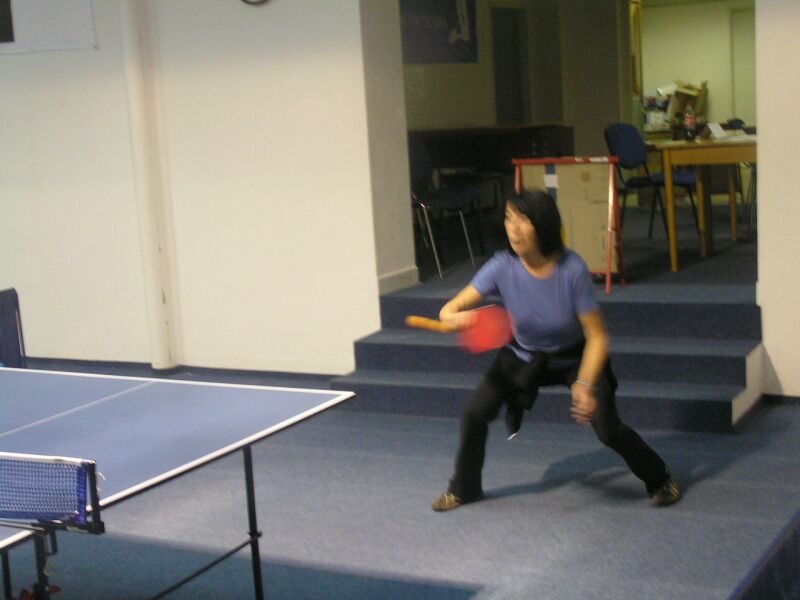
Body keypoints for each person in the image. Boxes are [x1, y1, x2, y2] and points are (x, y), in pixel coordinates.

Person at [432, 188, 681, 512]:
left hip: (574, 356)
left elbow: (597, 336)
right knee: (474, 413)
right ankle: (464, 488)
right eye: (508, 218)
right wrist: (453, 317)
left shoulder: (571, 269)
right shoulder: (501, 265)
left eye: (523, 219)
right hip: (524, 355)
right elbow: (449, 309)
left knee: (608, 430)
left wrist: (585, 384)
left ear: (543, 224)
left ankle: (659, 479)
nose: (513, 228)